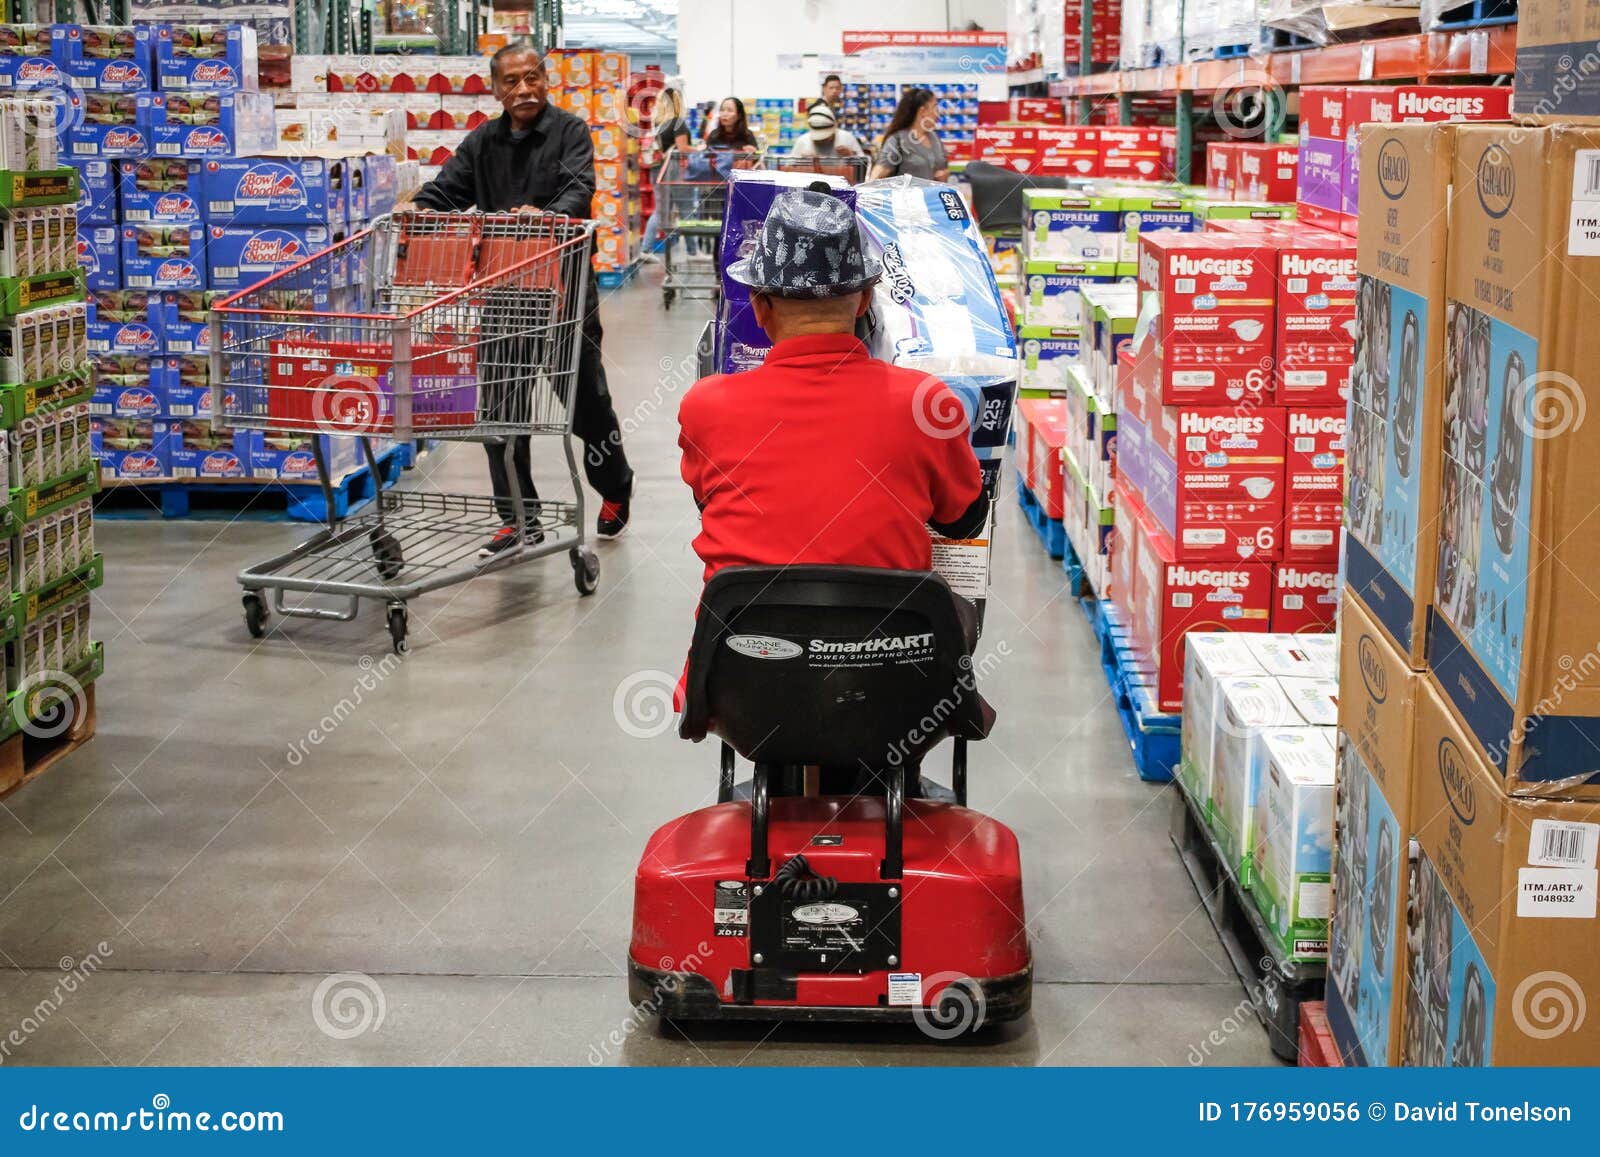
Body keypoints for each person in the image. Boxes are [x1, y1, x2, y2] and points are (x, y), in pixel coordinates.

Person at [676, 189, 987, 795]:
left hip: (744, 682)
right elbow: (961, 520)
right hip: (898, 681)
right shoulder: (927, 402)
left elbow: (710, 502)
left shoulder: (705, 406)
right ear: (866, 300)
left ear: (760, 307)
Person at [411, 39, 635, 551]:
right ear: (494, 89)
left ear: (546, 81)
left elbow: (579, 190)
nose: (523, 89)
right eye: (510, 81)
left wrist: (550, 215)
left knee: (584, 405)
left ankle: (616, 486)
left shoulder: (570, 131)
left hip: (564, 292)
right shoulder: (482, 142)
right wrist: (417, 208)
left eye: (531, 77)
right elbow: (446, 192)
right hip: (504, 295)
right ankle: (518, 517)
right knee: (502, 410)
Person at [641, 87, 691, 255]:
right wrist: (700, 147)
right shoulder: (678, 122)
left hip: (658, 169)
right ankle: (692, 251)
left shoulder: (658, 124)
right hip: (674, 168)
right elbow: (683, 148)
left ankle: (645, 248)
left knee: (661, 210)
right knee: (686, 209)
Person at [870, 87, 948, 181]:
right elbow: (878, 174)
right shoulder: (897, 140)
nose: (938, 114)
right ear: (922, 111)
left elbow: (942, 169)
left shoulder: (934, 138)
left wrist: (943, 175)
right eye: (935, 108)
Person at [787, 100, 863, 159]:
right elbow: (788, 169)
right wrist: (803, 162)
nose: (822, 141)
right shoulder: (803, 141)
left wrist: (851, 155)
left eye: (825, 137)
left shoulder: (846, 138)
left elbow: (864, 166)